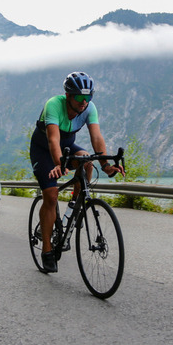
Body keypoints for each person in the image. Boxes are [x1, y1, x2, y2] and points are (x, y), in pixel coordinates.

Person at [29, 71, 124, 273]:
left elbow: (96, 137)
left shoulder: (89, 109)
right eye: (80, 97)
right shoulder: (54, 104)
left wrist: (106, 165)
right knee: (51, 196)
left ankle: (76, 205)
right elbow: (53, 139)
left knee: (88, 162)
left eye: (88, 97)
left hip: (67, 147)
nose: (84, 102)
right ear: (68, 96)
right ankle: (47, 251)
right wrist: (59, 164)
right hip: (44, 151)